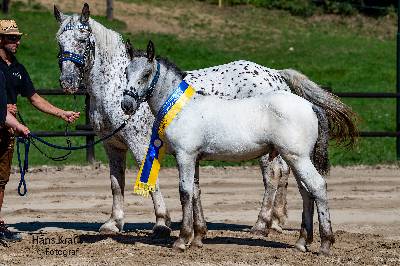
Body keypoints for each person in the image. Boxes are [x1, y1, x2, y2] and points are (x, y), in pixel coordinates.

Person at [0, 19, 80, 241]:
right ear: (0, 39)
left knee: (1, 179)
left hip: (7, 130)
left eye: (18, 38)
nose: (17, 41)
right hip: (5, 122)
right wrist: (2, 106)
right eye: (12, 38)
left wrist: (61, 113)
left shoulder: (17, 69)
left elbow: (34, 98)